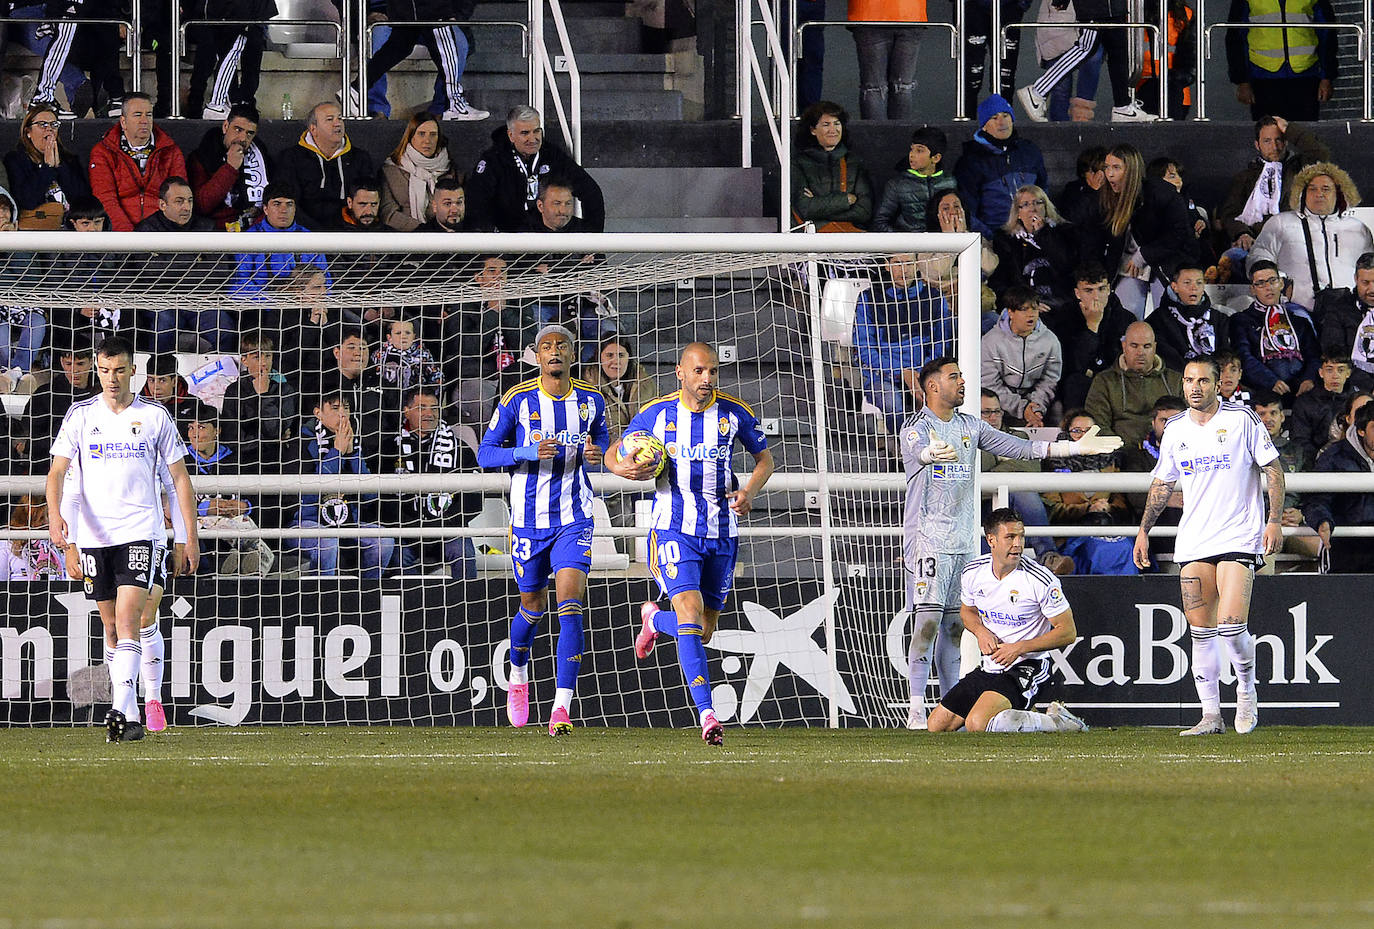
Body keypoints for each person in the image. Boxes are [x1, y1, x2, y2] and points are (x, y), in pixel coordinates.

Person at [895, 356, 1120, 728]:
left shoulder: (970, 425)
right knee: (928, 621)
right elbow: (915, 451)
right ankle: (916, 708)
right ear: (933, 386)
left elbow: (1019, 448)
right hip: (927, 540)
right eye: (955, 376)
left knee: (954, 626)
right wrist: (930, 454)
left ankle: (952, 702)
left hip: (965, 540)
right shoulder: (917, 427)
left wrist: (1071, 450)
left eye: (962, 375)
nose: (963, 381)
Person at [611, 342, 775, 746]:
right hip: (672, 529)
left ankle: (653, 621)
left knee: (701, 630)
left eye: (713, 372)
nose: (707, 379)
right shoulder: (658, 413)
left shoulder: (734, 413)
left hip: (722, 532)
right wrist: (625, 469)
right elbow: (616, 452)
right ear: (680, 374)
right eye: (699, 371)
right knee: (689, 610)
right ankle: (707, 715)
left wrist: (749, 491)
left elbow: (764, 460)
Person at [45, 335, 199, 743]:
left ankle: (127, 704)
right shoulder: (80, 416)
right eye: (104, 370)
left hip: (140, 533)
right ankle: (129, 718)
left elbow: (179, 480)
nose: (111, 379)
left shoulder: (154, 417)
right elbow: (58, 475)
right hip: (96, 538)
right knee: (112, 629)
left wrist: (188, 536)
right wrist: (60, 524)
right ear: (98, 371)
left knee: (134, 619)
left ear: (133, 371)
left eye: (119, 370)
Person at [1133, 355, 1283, 735]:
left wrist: (1275, 519)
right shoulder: (1175, 429)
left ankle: (1247, 692)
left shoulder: (1241, 420)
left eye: (1202, 380)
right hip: (1194, 539)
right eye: (1188, 380)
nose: (1194, 387)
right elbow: (1163, 483)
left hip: (1238, 535)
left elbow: (1273, 468)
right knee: (1200, 631)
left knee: (1231, 626)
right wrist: (1143, 530)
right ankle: (1211, 715)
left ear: (1218, 385)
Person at [477, 324, 610, 737]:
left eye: (562, 346)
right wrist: (526, 452)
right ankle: (518, 675)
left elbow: (605, 441)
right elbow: (485, 453)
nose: (555, 352)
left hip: (575, 516)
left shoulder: (591, 401)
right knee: (532, 606)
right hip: (529, 521)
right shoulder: (518, 400)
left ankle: (560, 708)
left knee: (570, 604)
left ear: (573, 354)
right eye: (547, 347)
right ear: (536, 356)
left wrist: (597, 452)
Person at [926, 508, 1089, 733]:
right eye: (1010, 537)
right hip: (990, 666)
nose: (1018, 544)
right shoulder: (974, 572)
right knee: (936, 726)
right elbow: (968, 612)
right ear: (991, 540)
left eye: (1021, 536)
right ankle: (1031, 719)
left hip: (1028, 665)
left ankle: (1059, 723)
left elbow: (1067, 632)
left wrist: (1019, 648)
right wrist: (980, 632)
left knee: (977, 723)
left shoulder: (1040, 579)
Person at [1069, 143, 1200, 317]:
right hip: (1127, 267)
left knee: (1171, 317)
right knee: (1126, 317)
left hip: (1166, 262)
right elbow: (1091, 241)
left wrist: (1145, 254)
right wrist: (1095, 275)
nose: (1110, 174)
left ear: (1131, 169)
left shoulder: (1161, 192)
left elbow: (1178, 234)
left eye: (1116, 167)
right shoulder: (1102, 199)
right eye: (1107, 167)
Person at [289, 389, 395, 578]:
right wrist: (336, 452)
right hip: (306, 522)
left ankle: (367, 597)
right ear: (318, 413)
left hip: (347, 523)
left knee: (384, 540)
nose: (343, 414)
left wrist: (353, 453)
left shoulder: (354, 440)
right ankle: (324, 600)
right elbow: (307, 494)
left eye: (346, 408)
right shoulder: (302, 441)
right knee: (327, 541)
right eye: (335, 408)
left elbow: (370, 496)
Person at [1247, 162, 1371, 314]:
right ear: (1303, 193)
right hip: (1297, 310)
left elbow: (1370, 268)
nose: (1319, 193)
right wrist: (1283, 284)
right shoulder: (1280, 223)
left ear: (1339, 193)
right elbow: (1258, 259)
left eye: (1326, 189)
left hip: (1349, 311)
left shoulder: (1359, 228)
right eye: (1312, 189)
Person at [852, 251, 953, 435]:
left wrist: (923, 374)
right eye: (897, 263)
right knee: (892, 401)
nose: (903, 270)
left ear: (917, 265)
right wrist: (901, 373)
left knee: (942, 398)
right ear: (886, 265)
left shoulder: (933, 297)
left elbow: (941, 344)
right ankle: (906, 448)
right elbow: (864, 349)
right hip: (882, 376)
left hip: (925, 372)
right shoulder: (868, 298)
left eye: (908, 263)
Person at [466, 106, 605, 233]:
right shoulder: (493, 160)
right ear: (511, 135)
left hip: (549, 235)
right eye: (525, 133)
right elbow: (477, 206)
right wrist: (489, 253)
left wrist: (592, 237)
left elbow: (591, 191)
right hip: (509, 240)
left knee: (593, 258)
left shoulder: (552, 154)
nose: (532, 139)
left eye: (536, 131)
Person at [391, 386, 483, 577]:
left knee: (462, 551)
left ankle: (468, 603)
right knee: (397, 556)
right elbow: (382, 499)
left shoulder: (458, 449)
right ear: (406, 411)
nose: (429, 414)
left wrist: (447, 522)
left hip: (448, 528)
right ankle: (412, 604)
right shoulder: (390, 448)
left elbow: (475, 499)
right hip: (407, 532)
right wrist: (411, 526)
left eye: (434, 408)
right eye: (421, 407)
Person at [1015, 0, 1155, 124]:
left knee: (1118, 48)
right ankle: (1037, 91)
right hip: (1096, 6)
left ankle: (1123, 106)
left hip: (1111, 5)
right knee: (1087, 47)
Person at [1219, 117, 1329, 262]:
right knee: (1232, 257)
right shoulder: (1245, 177)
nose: (1274, 146)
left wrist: (1289, 129)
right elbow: (1230, 213)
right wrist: (1242, 234)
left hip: (1294, 241)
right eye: (1267, 141)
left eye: (1279, 140)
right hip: (1255, 242)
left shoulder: (1299, 169)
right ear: (1257, 145)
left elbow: (1320, 153)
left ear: (1286, 142)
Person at [366, 0, 489, 122]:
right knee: (378, 38)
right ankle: (375, 108)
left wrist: (456, 15)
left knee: (458, 43)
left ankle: (441, 109)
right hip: (394, 17)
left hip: (435, 15)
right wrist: (367, 14)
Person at [87, 93, 187, 232]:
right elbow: (105, 199)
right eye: (138, 114)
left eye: (149, 115)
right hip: (120, 235)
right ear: (123, 122)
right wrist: (129, 238)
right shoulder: (103, 151)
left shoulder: (170, 150)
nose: (144, 120)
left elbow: (179, 196)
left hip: (162, 233)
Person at [1226, 0, 1338, 122]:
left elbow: (1327, 33)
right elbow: (1235, 37)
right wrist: (1242, 80)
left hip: (1305, 77)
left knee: (1303, 135)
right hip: (1263, 79)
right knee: (1269, 135)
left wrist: (1327, 77)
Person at [954, 94, 1048, 238]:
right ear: (984, 126)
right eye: (994, 118)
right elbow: (969, 211)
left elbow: (1044, 193)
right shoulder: (971, 161)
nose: (1002, 122)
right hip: (996, 238)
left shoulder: (1029, 151)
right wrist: (992, 238)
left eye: (1006, 115)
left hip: (1036, 233)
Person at [275, 101, 377, 232]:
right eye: (330, 119)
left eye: (340, 118)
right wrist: (317, 234)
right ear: (313, 129)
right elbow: (289, 203)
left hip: (350, 233)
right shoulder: (291, 158)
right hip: (304, 234)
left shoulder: (360, 158)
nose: (337, 123)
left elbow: (367, 202)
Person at [1046, 262, 1135, 410]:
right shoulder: (1064, 318)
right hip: (1080, 384)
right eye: (1088, 290)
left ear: (1109, 289)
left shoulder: (1125, 319)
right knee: (1075, 383)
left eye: (1101, 289)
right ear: (1077, 293)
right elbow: (1072, 365)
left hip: (1115, 380)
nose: (1096, 297)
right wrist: (1092, 327)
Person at [1229, 260, 1321, 399]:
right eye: (1261, 283)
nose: (1268, 287)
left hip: (1301, 391)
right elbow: (1243, 357)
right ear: (1252, 289)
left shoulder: (1299, 322)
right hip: (1262, 391)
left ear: (1281, 284)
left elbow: (1314, 356)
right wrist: (1270, 381)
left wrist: (1308, 379)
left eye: (1272, 281)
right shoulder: (1241, 320)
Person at [1084, 321, 1183, 445]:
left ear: (1155, 347)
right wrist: (1119, 452)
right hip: (1122, 455)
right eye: (1134, 346)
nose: (1140, 352)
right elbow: (1098, 425)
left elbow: (1189, 422)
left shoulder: (1175, 380)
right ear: (1124, 346)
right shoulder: (1104, 381)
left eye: (1147, 346)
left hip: (1169, 452)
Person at [1304, 402, 1374, 573]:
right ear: (1361, 431)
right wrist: (1322, 521)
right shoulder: (1334, 456)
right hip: (1345, 544)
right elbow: (1317, 499)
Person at [980, 286, 1061, 428]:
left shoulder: (1050, 340)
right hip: (1002, 402)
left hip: (1037, 403)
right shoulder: (990, 341)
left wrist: (1035, 408)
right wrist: (1022, 409)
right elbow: (990, 384)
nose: (1031, 315)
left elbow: (1050, 380)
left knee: (1059, 408)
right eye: (1024, 309)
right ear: (1010, 312)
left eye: (1034, 309)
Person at [219, 330, 300, 470]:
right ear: (244, 360)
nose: (264, 362)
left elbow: (275, 430)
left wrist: (263, 395)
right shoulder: (234, 391)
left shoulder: (285, 390)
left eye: (268, 356)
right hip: (244, 462)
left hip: (278, 461)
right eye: (257, 357)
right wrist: (270, 440)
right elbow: (232, 438)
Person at [989, 185, 1077, 313]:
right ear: (1018, 213)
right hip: (1025, 302)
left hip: (1061, 299)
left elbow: (1065, 265)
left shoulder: (1065, 233)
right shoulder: (1005, 240)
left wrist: (1043, 234)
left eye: (1038, 203)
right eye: (1025, 204)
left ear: (1046, 207)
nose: (1033, 208)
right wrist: (1027, 302)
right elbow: (1002, 281)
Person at [185, 0, 277, 119]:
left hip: (244, 17)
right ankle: (222, 104)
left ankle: (231, 103)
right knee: (227, 58)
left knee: (237, 59)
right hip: (228, 18)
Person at [187, 103, 271, 231]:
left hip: (255, 230)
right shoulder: (201, 156)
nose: (243, 138)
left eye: (250, 133)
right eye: (238, 129)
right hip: (216, 232)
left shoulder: (261, 155)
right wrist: (230, 168)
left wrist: (255, 229)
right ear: (225, 126)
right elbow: (202, 206)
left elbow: (273, 198)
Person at [790, 101, 873, 231]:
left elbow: (864, 211)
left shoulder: (854, 163)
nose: (833, 130)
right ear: (813, 130)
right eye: (826, 124)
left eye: (837, 123)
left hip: (849, 240)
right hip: (813, 242)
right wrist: (846, 200)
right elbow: (805, 208)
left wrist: (820, 209)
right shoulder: (798, 163)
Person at [5, 104, 89, 227]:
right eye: (42, 124)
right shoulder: (16, 160)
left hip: (71, 232)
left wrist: (59, 167)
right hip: (35, 232)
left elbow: (83, 201)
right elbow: (27, 201)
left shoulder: (70, 160)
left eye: (54, 125)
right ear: (28, 132)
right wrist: (47, 168)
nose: (49, 129)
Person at [1146, 262, 1231, 372]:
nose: (1194, 288)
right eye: (1187, 283)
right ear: (1174, 287)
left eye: (1199, 283)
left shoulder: (1219, 319)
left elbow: (1225, 355)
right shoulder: (1157, 320)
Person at [380, 113, 457, 231]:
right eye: (421, 134)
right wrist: (422, 230)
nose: (427, 141)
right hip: (405, 238)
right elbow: (388, 212)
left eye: (433, 135)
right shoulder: (390, 170)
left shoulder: (451, 170)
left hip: (445, 237)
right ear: (411, 136)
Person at [871, 125, 955, 234]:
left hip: (943, 245)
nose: (912, 155)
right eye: (912, 149)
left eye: (919, 150)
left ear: (936, 158)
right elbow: (880, 222)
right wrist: (904, 241)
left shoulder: (950, 183)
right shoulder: (897, 185)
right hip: (907, 247)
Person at [846, 0, 922, 120]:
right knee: (902, 86)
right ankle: (902, 136)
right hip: (911, 12)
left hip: (868, 12)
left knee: (874, 88)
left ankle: (874, 137)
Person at [579, 335, 657, 443]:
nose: (616, 361)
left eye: (621, 355)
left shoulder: (645, 384)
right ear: (599, 358)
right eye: (609, 355)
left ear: (629, 358)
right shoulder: (587, 387)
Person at [1290, 353, 1356, 462]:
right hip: (1315, 464)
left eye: (1341, 370)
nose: (1335, 375)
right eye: (1329, 370)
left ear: (1348, 373)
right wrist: (1321, 458)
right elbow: (1300, 439)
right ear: (1321, 373)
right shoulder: (1305, 402)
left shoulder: (1357, 401)